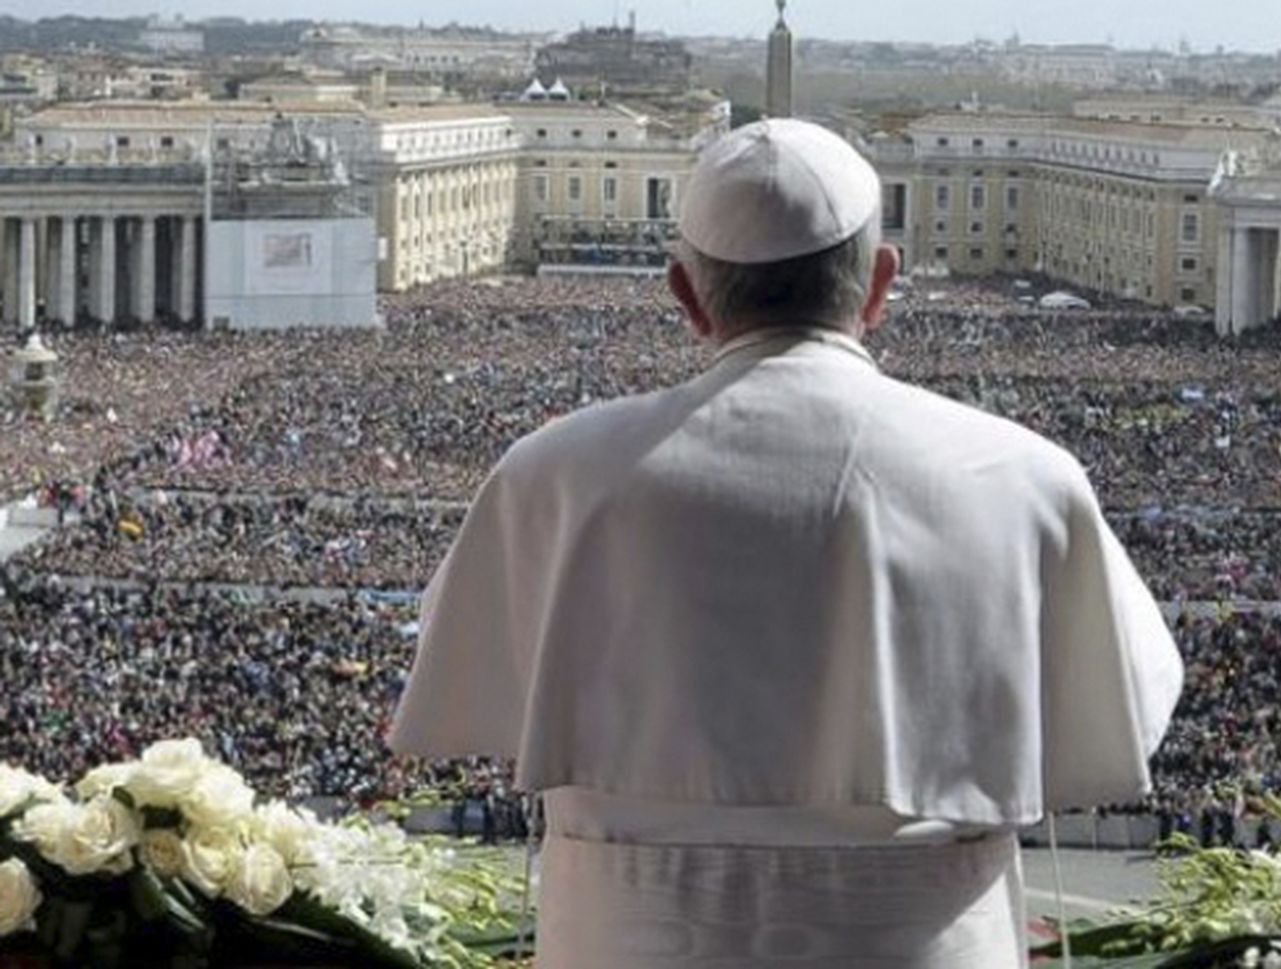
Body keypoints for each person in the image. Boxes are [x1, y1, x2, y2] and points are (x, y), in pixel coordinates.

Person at [388, 118, 1184, 969]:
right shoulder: (1027, 477)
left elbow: (461, 676)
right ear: (881, 284)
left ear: (686, 297)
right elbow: (1125, 712)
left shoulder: (551, 475)